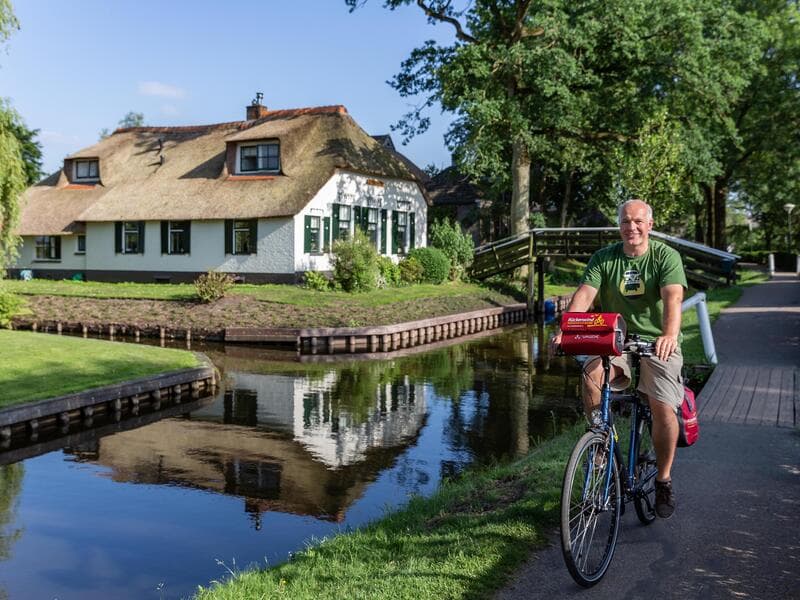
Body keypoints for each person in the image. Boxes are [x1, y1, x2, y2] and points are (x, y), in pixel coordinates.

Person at [552, 199, 687, 519]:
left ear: (650, 225)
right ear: (619, 226)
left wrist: (668, 335)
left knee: (662, 406)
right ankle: (600, 441)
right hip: (617, 339)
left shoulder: (666, 257)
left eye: (638, 221)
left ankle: (664, 479)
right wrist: (566, 329)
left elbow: (673, 297)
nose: (632, 227)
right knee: (591, 374)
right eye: (626, 221)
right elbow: (584, 295)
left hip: (658, 342)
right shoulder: (604, 258)